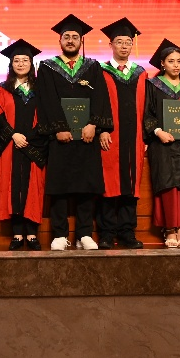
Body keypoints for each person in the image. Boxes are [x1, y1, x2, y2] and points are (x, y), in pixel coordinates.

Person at [36, 14, 113, 251]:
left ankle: (84, 234)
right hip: (60, 137)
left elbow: (100, 97)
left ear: (81, 41)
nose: (70, 40)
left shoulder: (92, 67)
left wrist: (94, 124)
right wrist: (58, 127)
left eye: (75, 37)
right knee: (59, 186)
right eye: (66, 37)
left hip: (87, 136)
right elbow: (46, 99)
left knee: (86, 186)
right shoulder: (47, 67)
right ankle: (60, 234)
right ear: (59, 40)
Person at [96, 17, 147, 249]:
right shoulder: (100, 72)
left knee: (130, 183)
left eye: (128, 42)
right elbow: (97, 103)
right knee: (109, 182)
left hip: (134, 136)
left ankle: (127, 232)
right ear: (111, 45)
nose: (124, 46)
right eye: (119, 42)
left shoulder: (141, 73)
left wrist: (145, 136)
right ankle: (106, 233)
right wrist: (102, 129)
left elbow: (147, 106)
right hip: (111, 136)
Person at [143, 40, 180, 248]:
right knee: (167, 185)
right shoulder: (152, 85)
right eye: (171, 61)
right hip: (162, 144)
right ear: (162, 63)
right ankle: (169, 228)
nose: (176, 65)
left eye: (179, 61)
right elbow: (147, 115)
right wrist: (158, 132)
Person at [0, 39, 46, 250]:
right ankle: (17, 234)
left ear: (31, 64)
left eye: (25, 60)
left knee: (33, 188)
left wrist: (29, 137)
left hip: (34, 147)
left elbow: (46, 116)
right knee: (11, 185)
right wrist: (14, 135)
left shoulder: (41, 89)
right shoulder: (2, 89)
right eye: (17, 60)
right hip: (10, 145)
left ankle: (31, 234)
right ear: (11, 64)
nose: (21, 64)